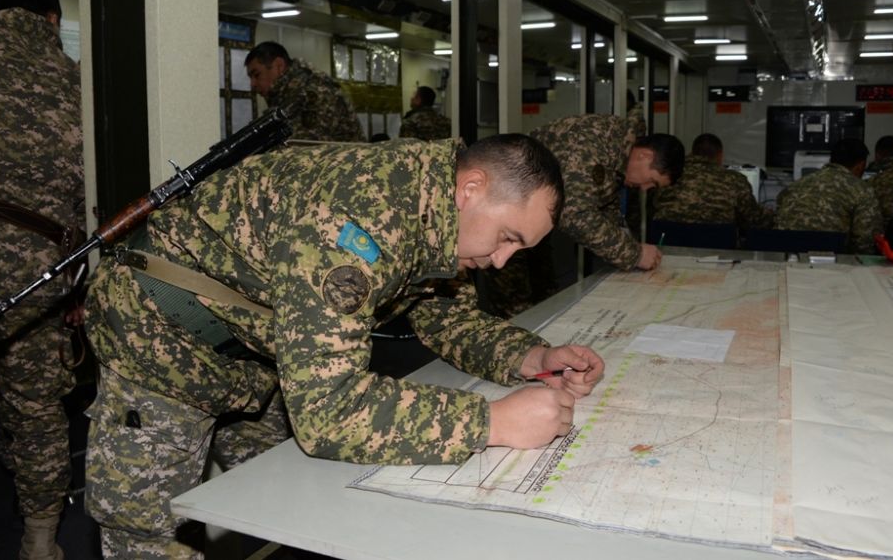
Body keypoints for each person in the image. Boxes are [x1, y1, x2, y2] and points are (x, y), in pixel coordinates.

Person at [83, 134, 605, 558]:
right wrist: (493, 422)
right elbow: (329, 410)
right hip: (160, 334)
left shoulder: (432, 210)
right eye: (508, 237)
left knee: (291, 503)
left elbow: (443, 313)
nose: (501, 262)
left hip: (255, 346)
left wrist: (530, 358)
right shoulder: (361, 219)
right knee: (154, 534)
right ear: (471, 187)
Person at [0, 0, 84, 560]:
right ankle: (41, 539)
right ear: (52, 20)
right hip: (32, 267)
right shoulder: (74, 81)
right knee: (35, 404)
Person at [484, 114, 684, 317]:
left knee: (546, 302)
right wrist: (634, 253)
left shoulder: (618, 152)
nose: (645, 189)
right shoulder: (594, 139)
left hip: (533, 223)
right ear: (646, 156)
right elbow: (574, 213)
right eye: (652, 182)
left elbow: (605, 205)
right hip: (504, 218)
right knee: (517, 309)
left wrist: (629, 246)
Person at [776, 138, 882, 254]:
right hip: (833, 264)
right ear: (861, 165)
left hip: (788, 260)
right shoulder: (863, 191)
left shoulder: (795, 186)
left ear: (832, 160)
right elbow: (865, 243)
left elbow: (777, 224)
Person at [648, 133, 773, 230]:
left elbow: (650, 208)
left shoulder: (667, 174)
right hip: (718, 251)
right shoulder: (735, 180)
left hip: (668, 246)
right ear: (719, 155)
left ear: (692, 151)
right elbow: (753, 220)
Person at [244, 41, 363, 142]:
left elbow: (305, 145)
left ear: (278, 66)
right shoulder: (289, 94)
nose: (252, 84)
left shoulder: (314, 90)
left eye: (257, 75)